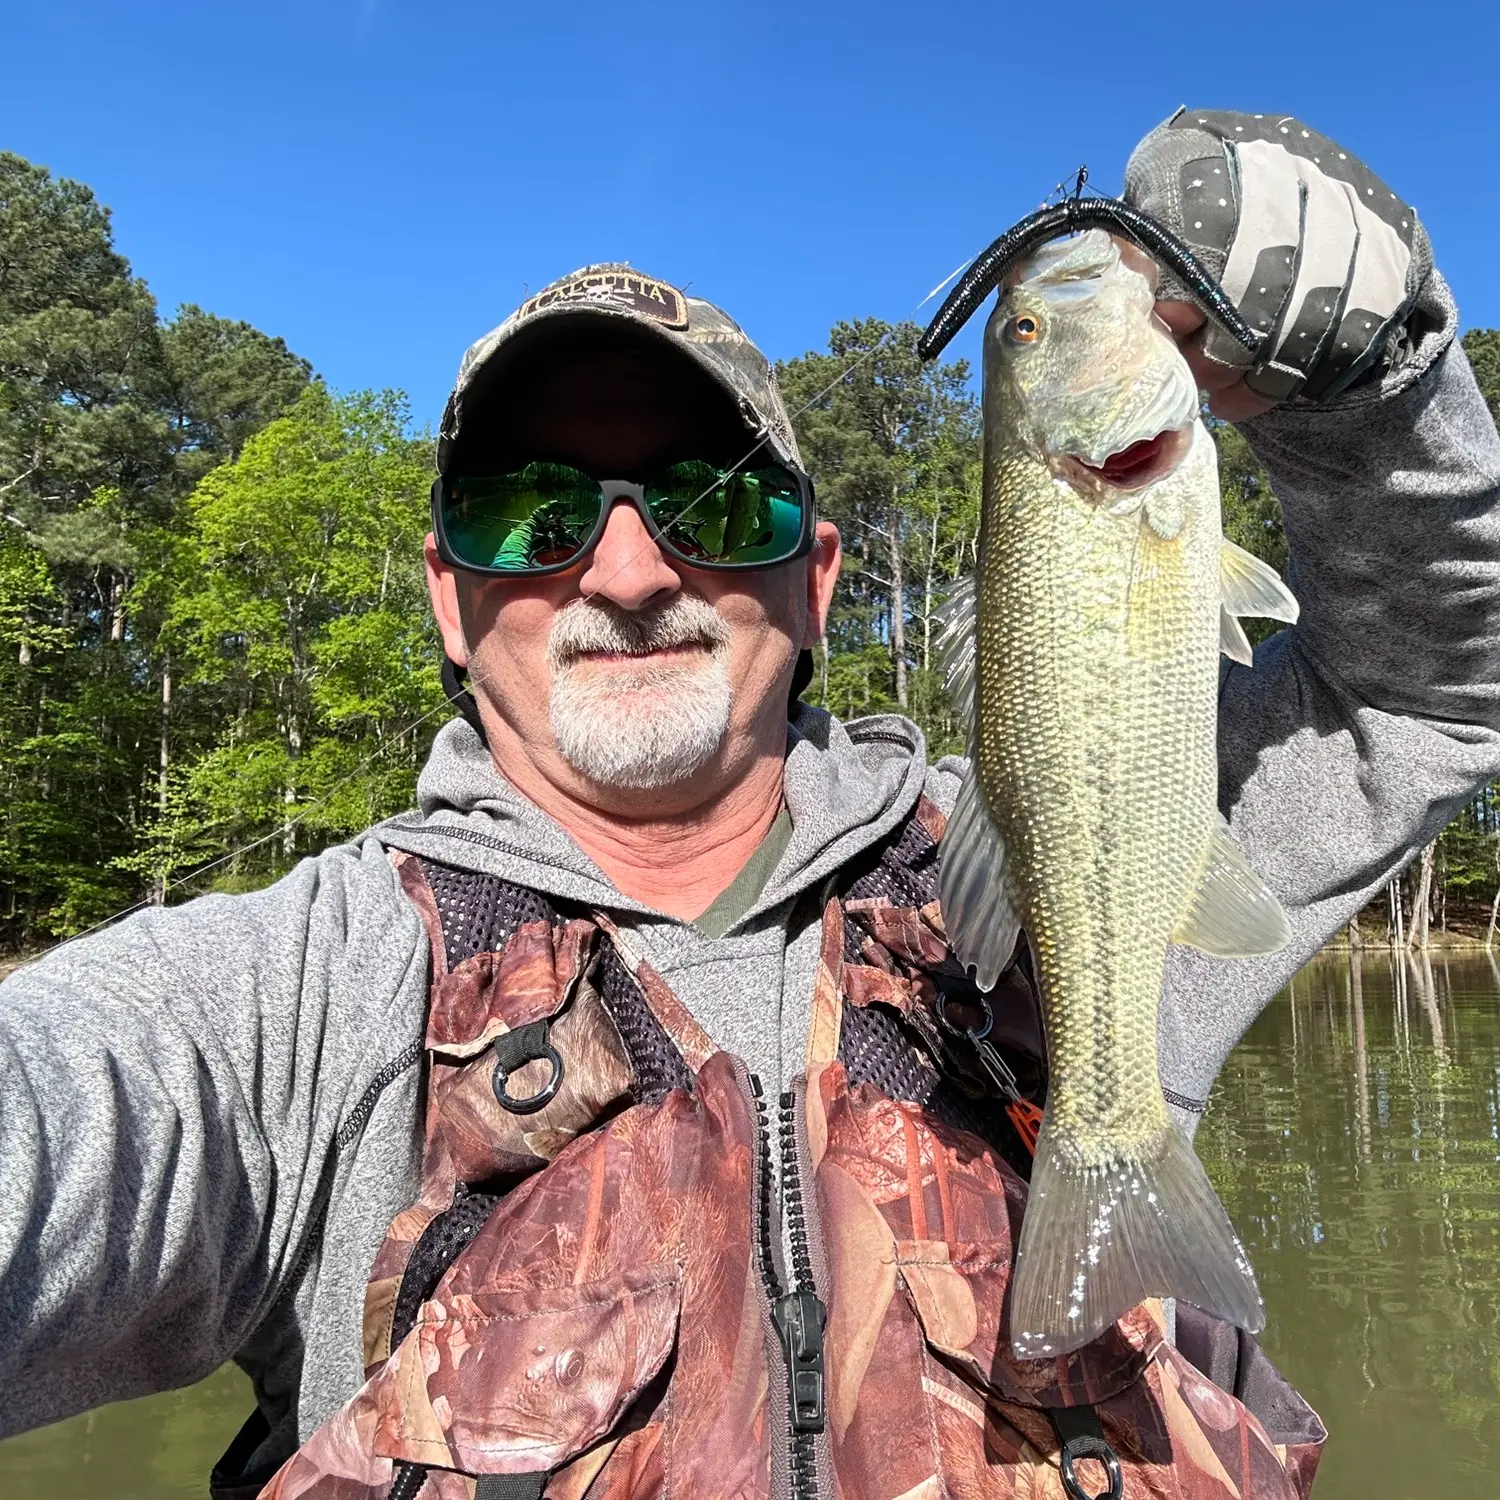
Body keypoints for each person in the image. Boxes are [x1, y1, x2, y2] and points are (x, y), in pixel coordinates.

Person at [2, 109, 1497, 1499]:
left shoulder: (1033, 853)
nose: (633, 570)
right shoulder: (289, 994)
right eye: (535, 513)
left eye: (719, 505)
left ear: (819, 579)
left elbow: (1436, 695)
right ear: (451, 608)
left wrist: (1380, 398)